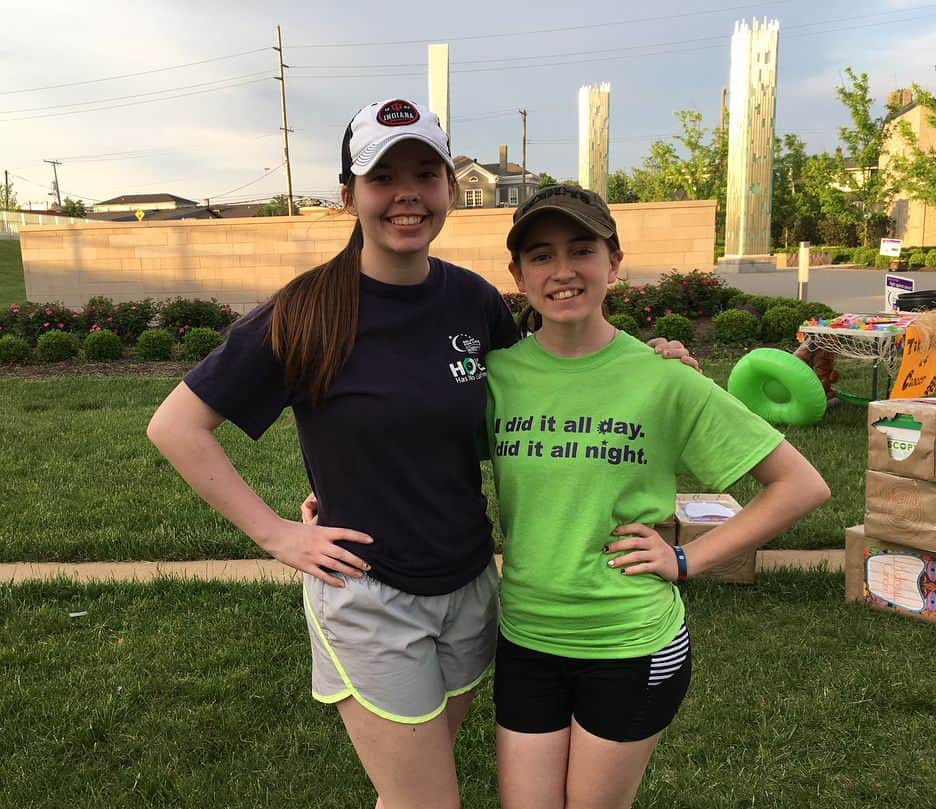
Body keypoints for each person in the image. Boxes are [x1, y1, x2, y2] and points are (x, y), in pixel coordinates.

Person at [148, 99, 694, 809]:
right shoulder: (307, 310)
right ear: (349, 196)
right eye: (383, 176)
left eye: (425, 172)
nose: (406, 193)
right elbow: (176, 426)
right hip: (369, 594)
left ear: (447, 190)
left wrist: (644, 362)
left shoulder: (472, 302)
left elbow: (545, 385)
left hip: (469, 588)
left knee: (410, 789)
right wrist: (278, 533)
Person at [485, 185, 831, 809]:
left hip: (631, 642)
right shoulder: (499, 377)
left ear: (613, 263)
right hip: (526, 639)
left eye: (582, 250)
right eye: (540, 255)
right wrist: (336, 498)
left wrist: (687, 560)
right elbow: (419, 448)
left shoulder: (664, 378)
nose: (562, 271)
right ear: (518, 274)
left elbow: (801, 485)